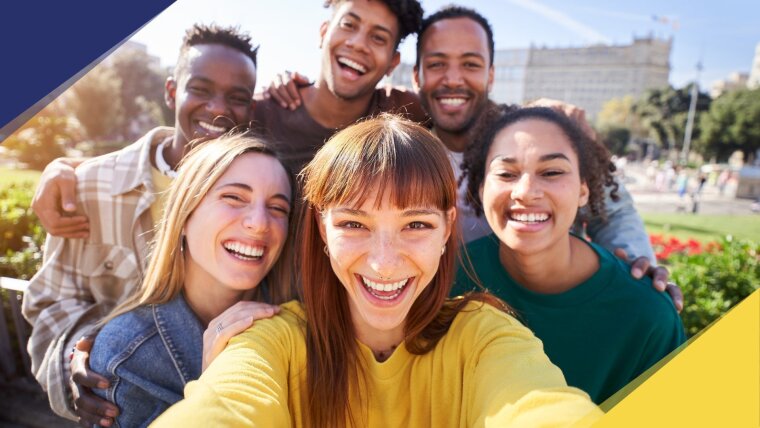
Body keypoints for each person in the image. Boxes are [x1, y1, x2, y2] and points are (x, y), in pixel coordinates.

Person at [153, 114, 601, 427]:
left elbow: (541, 408)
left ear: (448, 228)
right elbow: (224, 409)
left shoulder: (485, 338)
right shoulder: (272, 340)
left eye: (416, 225)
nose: (384, 261)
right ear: (322, 230)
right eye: (353, 224)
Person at [21, 24, 264, 424]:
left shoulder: (258, 202)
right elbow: (49, 300)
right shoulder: (91, 187)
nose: (218, 108)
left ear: (250, 109)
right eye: (200, 89)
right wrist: (72, 359)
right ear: (171, 91)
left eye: (237, 97)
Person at [453, 106, 686, 403]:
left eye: (551, 172)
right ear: (481, 187)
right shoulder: (446, 281)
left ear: (583, 191)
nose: (526, 191)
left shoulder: (648, 317)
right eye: (506, 173)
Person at [88, 133, 295, 427]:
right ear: (185, 214)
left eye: (278, 208)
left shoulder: (302, 326)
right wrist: (213, 392)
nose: (259, 223)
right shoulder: (127, 354)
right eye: (234, 198)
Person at [251, 0, 427, 173]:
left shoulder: (403, 111)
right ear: (324, 32)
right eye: (348, 24)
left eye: (378, 38)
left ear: (393, 63)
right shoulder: (259, 114)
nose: (358, 44)